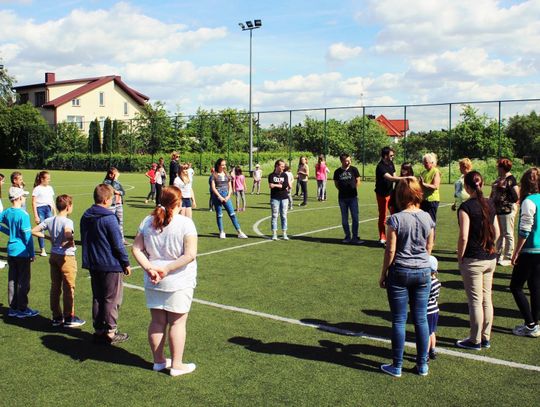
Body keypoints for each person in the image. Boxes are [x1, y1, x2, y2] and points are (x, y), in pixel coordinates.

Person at [132, 186, 198, 376]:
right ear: (178, 203)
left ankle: (159, 361)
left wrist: (151, 269)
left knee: (157, 321)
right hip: (178, 280)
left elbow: (136, 249)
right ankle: (176, 364)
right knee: (177, 323)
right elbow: (190, 254)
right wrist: (165, 269)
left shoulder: (147, 220)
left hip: (154, 280)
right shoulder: (186, 223)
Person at [379, 178, 435, 377]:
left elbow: (390, 250)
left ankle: (397, 365)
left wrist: (383, 272)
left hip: (400, 271)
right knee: (421, 319)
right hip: (422, 271)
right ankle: (422, 365)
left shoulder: (395, 218)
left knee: (399, 320)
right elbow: (429, 247)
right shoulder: (427, 217)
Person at [80, 184, 131, 345]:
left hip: (93, 262)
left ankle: (98, 329)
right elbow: (118, 244)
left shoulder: (85, 215)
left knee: (98, 297)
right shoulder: (109, 218)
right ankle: (110, 331)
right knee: (111, 299)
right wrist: (126, 262)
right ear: (107, 199)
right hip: (110, 264)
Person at [456, 171, 499, 350]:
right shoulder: (490, 204)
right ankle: (485, 337)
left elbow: (464, 236)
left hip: (473, 259)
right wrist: (489, 246)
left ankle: (475, 340)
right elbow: (497, 232)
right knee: (486, 298)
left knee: (475, 300)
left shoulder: (466, 207)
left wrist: (460, 257)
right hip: (490, 258)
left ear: (467, 186)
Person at [31, 194, 85, 327]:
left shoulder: (50, 220)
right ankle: (69, 317)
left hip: (54, 255)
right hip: (66, 257)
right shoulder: (68, 222)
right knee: (68, 287)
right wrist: (69, 242)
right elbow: (68, 234)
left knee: (55, 287)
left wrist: (48, 238)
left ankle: (56, 316)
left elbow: (34, 230)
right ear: (68, 207)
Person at [510, 168, 540, 338]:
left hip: (531, 250)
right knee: (535, 287)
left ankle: (530, 324)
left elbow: (525, 230)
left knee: (516, 286)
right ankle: (535, 323)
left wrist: (516, 252)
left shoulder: (529, 201)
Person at [0, 187, 38, 318]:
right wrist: (32, 253)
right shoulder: (23, 215)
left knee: (12, 280)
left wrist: (9, 232)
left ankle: (13, 308)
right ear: (19, 198)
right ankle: (22, 308)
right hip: (22, 252)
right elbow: (28, 237)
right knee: (23, 281)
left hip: (11, 251)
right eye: (24, 196)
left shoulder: (7, 212)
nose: (25, 198)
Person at [375, 147, 414, 245]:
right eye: (391, 155)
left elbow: (396, 176)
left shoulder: (391, 164)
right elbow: (392, 178)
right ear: (385, 156)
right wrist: (408, 177)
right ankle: (382, 237)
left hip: (390, 193)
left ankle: (395, 236)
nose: (393, 157)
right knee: (383, 215)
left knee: (395, 215)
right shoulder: (380, 167)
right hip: (382, 194)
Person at [490, 158, 519, 267]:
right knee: (500, 233)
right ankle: (498, 254)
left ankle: (508, 256)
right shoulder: (500, 178)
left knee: (508, 233)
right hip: (498, 209)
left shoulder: (510, 179)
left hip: (507, 210)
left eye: (498, 166)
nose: (497, 168)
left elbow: (516, 196)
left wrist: (505, 189)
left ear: (503, 167)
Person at [210, 158, 248, 239]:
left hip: (226, 196)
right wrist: (219, 197)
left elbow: (230, 187)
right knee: (219, 215)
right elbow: (213, 188)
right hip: (217, 197)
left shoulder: (227, 175)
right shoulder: (214, 175)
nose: (224, 166)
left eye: (225, 164)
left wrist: (228, 196)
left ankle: (239, 232)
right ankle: (221, 232)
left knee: (232, 214)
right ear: (218, 165)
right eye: (222, 165)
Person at [333, 153, 362, 244]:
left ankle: (355, 237)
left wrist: (353, 189)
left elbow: (358, 181)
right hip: (342, 198)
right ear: (342, 161)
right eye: (347, 160)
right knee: (344, 219)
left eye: (349, 159)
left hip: (353, 197)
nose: (349, 161)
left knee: (355, 217)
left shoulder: (354, 169)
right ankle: (347, 236)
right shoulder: (337, 171)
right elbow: (336, 184)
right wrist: (343, 190)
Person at [32, 171, 56, 257]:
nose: (49, 180)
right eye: (48, 178)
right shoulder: (37, 189)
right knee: (40, 229)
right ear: (42, 179)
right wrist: (36, 215)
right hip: (40, 209)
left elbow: (51, 200)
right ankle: (42, 249)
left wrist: (55, 211)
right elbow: (34, 202)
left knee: (51, 228)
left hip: (48, 208)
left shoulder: (50, 188)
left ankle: (54, 247)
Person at [103, 167, 126, 243]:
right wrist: (115, 180)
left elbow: (123, 192)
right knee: (110, 223)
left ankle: (121, 239)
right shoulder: (106, 182)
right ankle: (109, 240)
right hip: (111, 205)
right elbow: (111, 190)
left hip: (119, 204)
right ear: (110, 174)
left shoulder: (117, 182)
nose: (116, 175)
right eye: (115, 174)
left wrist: (118, 192)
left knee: (120, 222)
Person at [268, 160, 290, 241]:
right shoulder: (271, 175)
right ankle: (274, 233)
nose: (283, 168)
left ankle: (284, 233)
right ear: (277, 166)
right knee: (274, 216)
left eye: (284, 166)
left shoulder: (285, 175)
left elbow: (285, 186)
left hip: (284, 198)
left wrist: (275, 185)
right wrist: (278, 185)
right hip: (275, 198)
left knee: (284, 215)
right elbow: (270, 185)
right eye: (282, 166)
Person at [419, 153, 441, 224]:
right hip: (423, 200)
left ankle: (432, 235)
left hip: (432, 201)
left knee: (430, 223)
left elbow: (435, 186)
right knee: (423, 222)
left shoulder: (435, 171)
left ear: (432, 162)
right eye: (424, 162)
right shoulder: (423, 172)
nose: (424, 164)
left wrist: (423, 184)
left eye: (426, 162)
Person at [427, 255, 441, 360]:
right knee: (432, 332)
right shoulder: (437, 282)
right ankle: (433, 350)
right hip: (435, 309)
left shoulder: (428, 283)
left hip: (427, 311)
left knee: (426, 334)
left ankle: (425, 353)